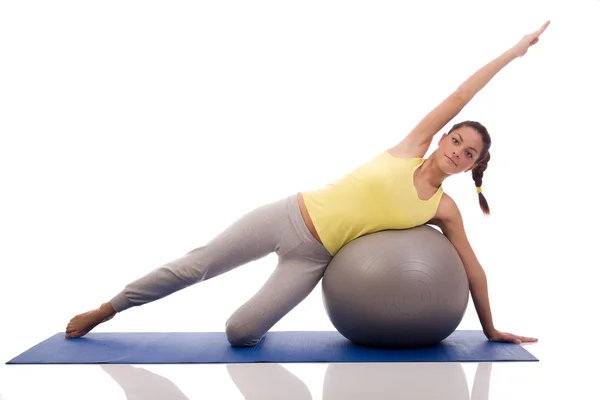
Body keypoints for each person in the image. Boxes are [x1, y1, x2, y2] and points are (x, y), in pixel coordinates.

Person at [66, 20, 550, 346]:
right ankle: (108, 309)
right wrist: (513, 52)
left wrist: (490, 330)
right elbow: (462, 92)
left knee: (241, 332)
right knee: (197, 266)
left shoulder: (443, 210)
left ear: (470, 167)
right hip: (287, 215)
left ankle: (234, 326)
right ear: (444, 136)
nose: (457, 152)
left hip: (316, 258)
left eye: (468, 154)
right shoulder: (411, 147)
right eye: (457, 140)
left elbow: (473, 268)